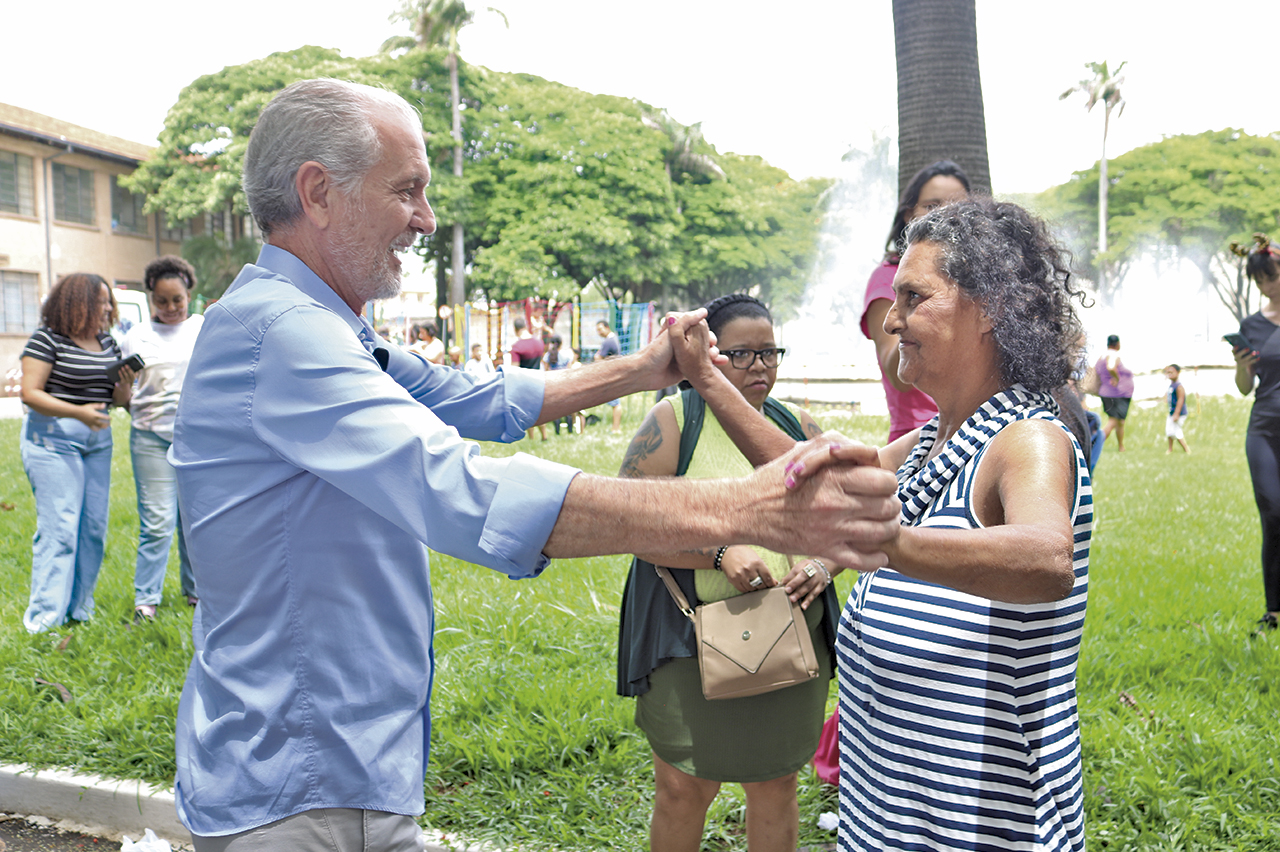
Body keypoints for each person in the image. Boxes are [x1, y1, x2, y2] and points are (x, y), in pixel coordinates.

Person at [169, 78, 901, 850]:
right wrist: (748, 509)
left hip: (345, 763)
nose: (426, 219)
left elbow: (483, 398)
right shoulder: (281, 333)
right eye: (408, 191)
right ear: (318, 192)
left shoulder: (329, 328)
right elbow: (463, 491)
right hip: (296, 779)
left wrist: (647, 367)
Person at [671, 199, 1092, 851]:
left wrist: (886, 542)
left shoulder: (1026, 439)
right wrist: (707, 377)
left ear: (991, 309)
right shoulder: (933, 440)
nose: (891, 320)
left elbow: (1046, 559)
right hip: (895, 815)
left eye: (915, 297)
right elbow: (811, 478)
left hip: (980, 827)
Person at [617, 294, 833, 852]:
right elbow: (627, 522)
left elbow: (839, 518)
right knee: (684, 786)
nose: (759, 366)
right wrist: (718, 554)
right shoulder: (674, 422)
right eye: (742, 354)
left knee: (777, 782)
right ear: (709, 356)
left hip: (785, 634)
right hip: (689, 637)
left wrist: (822, 563)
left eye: (769, 353)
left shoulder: (797, 426)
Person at [18, 273, 133, 633]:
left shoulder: (107, 342)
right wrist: (78, 412)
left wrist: (125, 386)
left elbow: (117, 400)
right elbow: (30, 393)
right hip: (53, 441)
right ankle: (44, 620)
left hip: (97, 444)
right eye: (102, 301)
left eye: (109, 301)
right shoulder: (47, 340)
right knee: (60, 529)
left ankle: (80, 610)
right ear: (78, 302)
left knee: (93, 528)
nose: (109, 308)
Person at [119, 256, 203, 621]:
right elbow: (124, 398)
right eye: (162, 301)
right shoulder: (135, 336)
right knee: (157, 522)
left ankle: (197, 593)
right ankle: (146, 601)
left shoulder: (203, 327)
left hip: (196, 438)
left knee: (195, 520)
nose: (170, 308)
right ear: (151, 298)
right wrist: (122, 383)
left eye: (177, 300)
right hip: (150, 438)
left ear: (189, 296)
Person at [860, 160, 970, 442]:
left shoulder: (977, 280)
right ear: (910, 214)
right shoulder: (887, 279)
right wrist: (916, 298)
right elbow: (898, 375)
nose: (945, 216)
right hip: (916, 441)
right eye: (932, 206)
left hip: (977, 433)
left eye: (958, 207)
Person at [1232, 234, 1280, 634]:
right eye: (1261, 280)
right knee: (1273, 515)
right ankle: (1274, 610)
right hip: (1263, 427)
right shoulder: (1252, 324)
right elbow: (1246, 388)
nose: (1268, 286)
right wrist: (1243, 366)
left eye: (1272, 276)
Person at [510, 316, 547, 440]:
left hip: (524, 382)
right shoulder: (539, 343)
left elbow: (514, 369)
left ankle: (531, 438)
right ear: (525, 327)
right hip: (539, 379)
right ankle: (544, 436)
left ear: (515, 329)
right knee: (540, 411)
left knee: (527, 412)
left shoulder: (517, 347)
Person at [1096, 334, 1134, 451]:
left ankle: (1121, 447)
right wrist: (1116, 379)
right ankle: (1095, 443)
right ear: (1118, 344)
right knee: (1113, 421)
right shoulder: (1113, 355)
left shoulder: (1102, 356)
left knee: (1120, 421)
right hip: (1117, 394)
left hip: (1106, 392)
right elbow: (1111, 367)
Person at [542, 334, 581, 434]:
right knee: (567, 407)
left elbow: (545, 370)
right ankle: (570, 430)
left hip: (553, 383)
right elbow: (569, 368)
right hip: (565, 382)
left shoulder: (548, 355)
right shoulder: (567, 354)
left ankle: (557, 431)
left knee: (555, 408)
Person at [595, 320, 624, 433]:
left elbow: (599, 358)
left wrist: (597, 356)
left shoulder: (608, 341)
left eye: (600, 329)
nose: (599, 332)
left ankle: (616, 428)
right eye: (597, 330)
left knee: (615, 403)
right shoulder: (613, 338)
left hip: (611, 374)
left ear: (607, 328)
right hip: (613, 373)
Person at [1164, 363, 1190, 454]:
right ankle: (1170, 449)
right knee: (1169, 431)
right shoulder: (1171, 385)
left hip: (1179, 413)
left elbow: (1180, 400)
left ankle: (1186, 449)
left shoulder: (1179, 386)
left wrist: (1176, 413)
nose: (1169, 374)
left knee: (1176, 431)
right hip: (1172, 412)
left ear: (1178, 372)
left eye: (1172, 372)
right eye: (1168, 372)